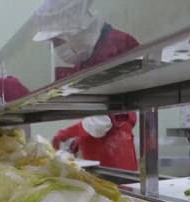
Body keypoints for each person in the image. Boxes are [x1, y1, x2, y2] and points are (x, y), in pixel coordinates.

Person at [33, 0, 139, 170]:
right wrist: (77, 138)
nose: (56, 48)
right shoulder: (87, 57)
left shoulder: (116, 47)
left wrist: (70, 132)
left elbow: (102, 123)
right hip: (99, 156)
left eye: (57, 41)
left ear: (75, 32)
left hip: (115, 157)